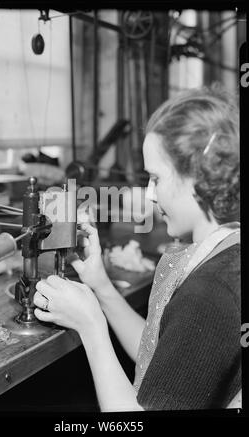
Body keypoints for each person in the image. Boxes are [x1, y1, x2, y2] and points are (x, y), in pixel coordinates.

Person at [33, 85, 241, 411]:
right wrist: (101, 284)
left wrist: (92, 327)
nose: (150, 194)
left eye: (156, 178)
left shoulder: (212, 291)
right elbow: (162, 356)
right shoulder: (227, 252)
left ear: (198, 177)